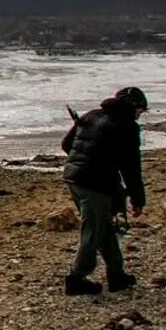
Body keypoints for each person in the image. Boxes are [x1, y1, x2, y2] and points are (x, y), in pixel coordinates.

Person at [60, 86, 148, 295]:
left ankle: (116, 274)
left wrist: (86, 157)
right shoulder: (126, 127)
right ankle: (76, 279)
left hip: (73, 178)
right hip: (95, 183)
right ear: (133, 107)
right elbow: (131, 167)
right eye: (141, 111)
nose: (140, 116)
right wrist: (138, 199)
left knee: (104, 227)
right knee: (92, 230)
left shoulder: (91, 115)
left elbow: (66, 145)